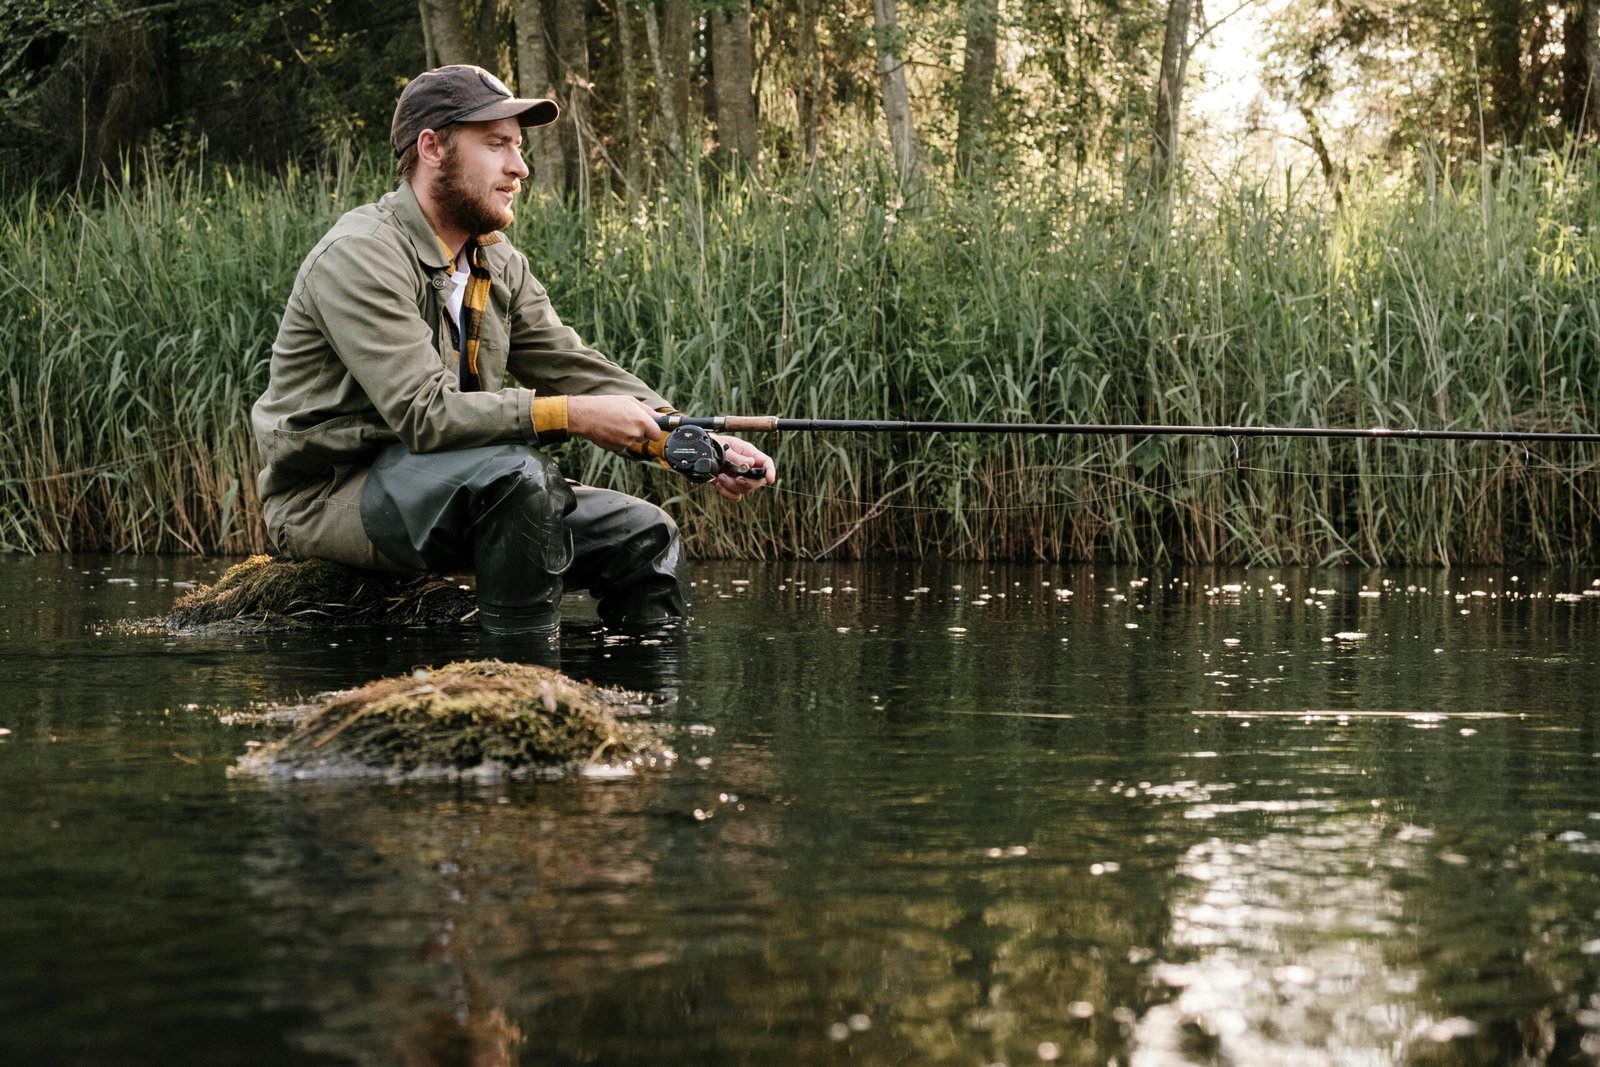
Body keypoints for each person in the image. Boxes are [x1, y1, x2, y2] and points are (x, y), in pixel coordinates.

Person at [251, 64, 775, 636]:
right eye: (497, 145)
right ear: (432, 147)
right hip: (329, 497)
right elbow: (424, 415)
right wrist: (574, 417)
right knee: (520, 478)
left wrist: (688, 439)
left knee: (645, 535)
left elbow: (573, 367)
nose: (519, 168)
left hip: (460, 486)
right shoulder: (360, 255)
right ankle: (519, 686)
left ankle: (636, 718)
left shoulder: (497, 261)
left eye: (518, 148)